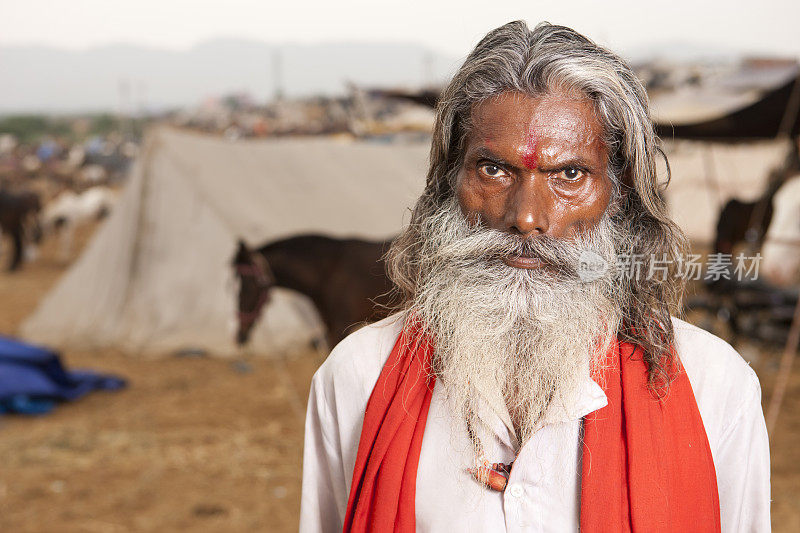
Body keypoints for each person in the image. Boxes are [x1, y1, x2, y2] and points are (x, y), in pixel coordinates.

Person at [299, 21, 770, 532]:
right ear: (447, 185)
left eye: (570, 174)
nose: (526, 217)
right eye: (494, 170)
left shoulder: (714, 387)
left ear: (622, 198)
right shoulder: (357, 379)